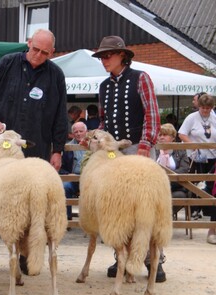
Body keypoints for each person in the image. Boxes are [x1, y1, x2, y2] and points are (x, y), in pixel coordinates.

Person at [0, 28, 68, 275]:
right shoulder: (7, 63)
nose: (38, 55)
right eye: (35, 49)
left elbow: (61, 116)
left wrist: (58, 150)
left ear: (51, 53)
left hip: (36, 149)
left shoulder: (56, 76)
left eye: (44, 52)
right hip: (2, 149)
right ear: (28, 43)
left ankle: (24, 255)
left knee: (30, 204)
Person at [91, 35, 164, 281]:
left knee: (145, 208)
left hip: (137, 149)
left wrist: (145, 144)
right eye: (101, 56)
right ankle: (120, 257)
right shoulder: (103, 86)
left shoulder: (140, 78)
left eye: (108, 55)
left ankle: (154, 260)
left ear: (122, 55)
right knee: (118, 208)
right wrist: (96, 137)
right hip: (113, 154)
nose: (104, 60)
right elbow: (104, 120)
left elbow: (152, 114)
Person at [178, 94, 216, 242]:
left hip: (213, 158)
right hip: (196, 158)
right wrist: (195, 145)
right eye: (203, 108)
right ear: (198, 106)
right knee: (196, 188)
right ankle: (195, 211)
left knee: (213, 191)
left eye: (208, 108)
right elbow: (181, 133)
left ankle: (212, 228)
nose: (205, 111)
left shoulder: (214, 117)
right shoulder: (192, 118)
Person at [156, 123, 189, 217]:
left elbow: (184, 169)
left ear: (173, 138)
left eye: (165, 135)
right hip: (156, 186)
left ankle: (164, 217)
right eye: (160, 135)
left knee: (180, 196)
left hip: (175, 186)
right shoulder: (153, 150)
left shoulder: (181, 150)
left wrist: (167, 177)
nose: (161, 137)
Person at [59, 122, 87, 220]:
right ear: (72, 134)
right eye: (76, 132)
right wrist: (68, 174)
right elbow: (60, 168)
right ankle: (67, 219)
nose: (78, 134)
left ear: (86, 132)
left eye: (81, 131)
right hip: (74, 179)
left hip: (90, 180)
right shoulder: (68, 147)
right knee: (65, 186)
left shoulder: (94, 146)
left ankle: (93, 221)